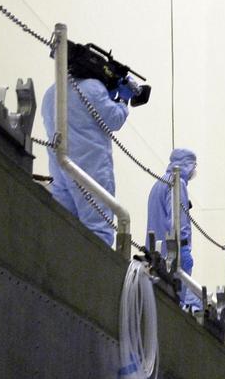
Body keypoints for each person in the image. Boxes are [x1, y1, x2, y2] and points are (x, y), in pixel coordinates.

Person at [41, 77, 134, 244]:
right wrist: (123, 100)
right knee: (98, 231)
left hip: (61, 171)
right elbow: (114, 120)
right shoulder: (93, 88)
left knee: (63, 227)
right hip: (90, 170)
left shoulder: (51, 92)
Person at [146, 148, 199, 310]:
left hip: (154, 258)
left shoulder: (159, 183)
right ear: (188, 165)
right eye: (194, 166)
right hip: (171, 260)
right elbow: (177, 220)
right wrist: (183, 249)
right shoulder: (177, 184)